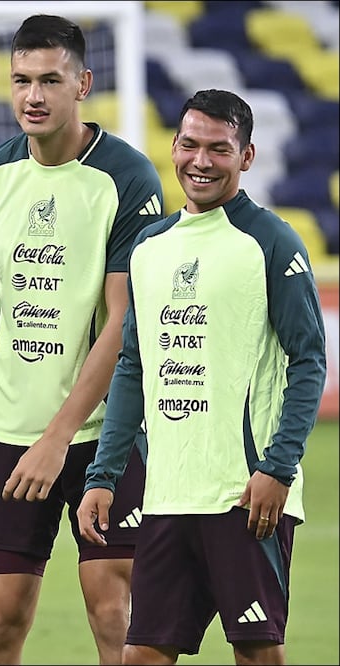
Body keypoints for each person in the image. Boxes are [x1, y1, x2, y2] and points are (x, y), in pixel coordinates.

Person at [0, 14, 166, 664]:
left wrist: (57, 436)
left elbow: (122, 322)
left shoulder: (126, 177)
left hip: (103, 435)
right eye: (20, 80)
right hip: (9, 430)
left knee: (114, 614)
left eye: (48, 79)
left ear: (81, 83)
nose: (32, 95)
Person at [76, 89, 328, 665]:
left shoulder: (271, 241)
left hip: (246, 495)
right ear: (174, 146)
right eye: (190, 144)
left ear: (247, 157)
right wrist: (103, 474)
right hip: (167, 496)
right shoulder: (150, 246)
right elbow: (134, 367)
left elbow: (309, 360)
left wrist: (277, 468)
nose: (201, 160)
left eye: (219, 149)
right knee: (141, 656)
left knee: (259, 654)